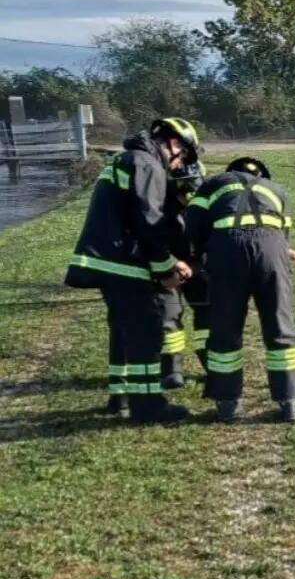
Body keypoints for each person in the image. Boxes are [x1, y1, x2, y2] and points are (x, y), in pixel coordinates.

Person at [64, 118, 200, 423]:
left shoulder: (125, 159)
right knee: (146, 332)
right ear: (174, 144)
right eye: (185, 157)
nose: (180, 165)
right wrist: (166, 265)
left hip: (107, 259)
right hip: (124, 262)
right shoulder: (148, 164)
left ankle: (121, 397)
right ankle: (148, 406)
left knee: (123, 330)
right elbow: (148, 220)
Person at [185, 157, 295, 423]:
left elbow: (192, 225)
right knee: (280, 324)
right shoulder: (277, 189)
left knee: (225, 327)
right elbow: (282, 235)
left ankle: (227, 403)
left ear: (231, 172)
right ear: (262, 175)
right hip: (272, 251)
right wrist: (282, 253)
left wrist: (198, 258)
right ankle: (290, 402)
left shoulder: (212, 183)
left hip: (227, 252)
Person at [160, 161, 211, 389]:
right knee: (168, 317)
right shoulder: (157, 208)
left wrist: (196, 267)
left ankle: (213, 366)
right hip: (168, 268)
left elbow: (213, 239)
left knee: (207, 316)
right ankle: (171, 371)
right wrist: (170, 265)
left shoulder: (206, 204)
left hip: (198, 267)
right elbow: (151, 241)